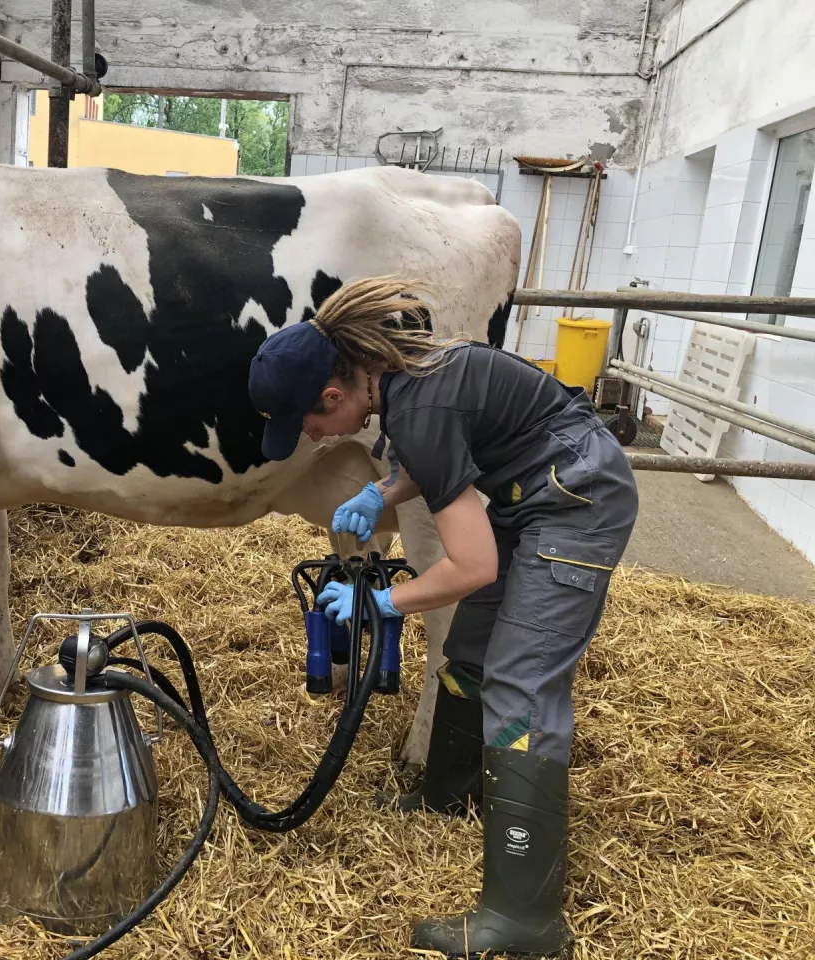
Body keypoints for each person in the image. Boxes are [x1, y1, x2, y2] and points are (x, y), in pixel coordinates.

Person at [247, 276, 638, 959]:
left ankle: (524, 922)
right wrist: (382, 490)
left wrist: (380, 601)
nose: (309, 437)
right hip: (535, 492)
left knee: (521, 684)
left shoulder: (416, 404)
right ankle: (449, 796)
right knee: (473, 650)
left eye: (306, 424)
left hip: (577, 503)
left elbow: (472, 566)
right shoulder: (402, 380)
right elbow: (440, 453)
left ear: (334, 397)